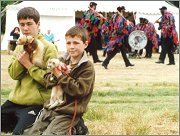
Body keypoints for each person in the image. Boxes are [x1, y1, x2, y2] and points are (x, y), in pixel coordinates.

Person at [23, 25, 95, 135]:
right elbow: (46, 80)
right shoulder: (61, 60)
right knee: (30, 133)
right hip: (51, 109)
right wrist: (56, 75)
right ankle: (74, 128)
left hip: (68, 112)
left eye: (76, 43)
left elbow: (80, 90)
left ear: (85, 44)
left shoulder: (86, 67)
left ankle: (75, 128)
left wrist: (60, 75)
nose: (71, 47)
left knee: (50, 134)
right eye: (68, 43)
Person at [1, 7, 58, 135]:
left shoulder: (49, 48)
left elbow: (51, 81)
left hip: (36, 104)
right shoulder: (20, 45)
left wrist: (28, 65)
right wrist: (25, 53)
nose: (25, 28)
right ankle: (17, 121)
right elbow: (14, 75)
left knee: (20, 133)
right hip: (15, 101)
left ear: (38, 24)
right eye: (22, 25)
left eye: (29, 24)